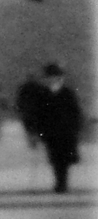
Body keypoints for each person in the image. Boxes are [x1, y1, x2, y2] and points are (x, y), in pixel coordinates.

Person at [35, 64, 83, 194]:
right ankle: (60, 182)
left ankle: (62, 183)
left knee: (64, 159)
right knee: (55, 158)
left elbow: (75, 112)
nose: (52, 80)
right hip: (51, 132)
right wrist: (40, 130)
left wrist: (75, 127)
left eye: (55, 77)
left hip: (65, 131)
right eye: (50, 77)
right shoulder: (43, 93)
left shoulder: (67, 92)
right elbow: (39, 113)